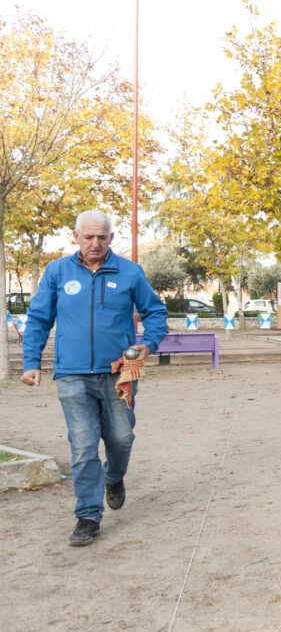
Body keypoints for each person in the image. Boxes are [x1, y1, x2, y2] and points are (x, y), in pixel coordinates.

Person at [20, 210, 168, 546]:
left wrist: (147, 344)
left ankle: (113, 477)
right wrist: (31, 362)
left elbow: (156, 312)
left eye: (102, 237)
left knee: (121, 437)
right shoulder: (57, 271)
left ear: (112, 238)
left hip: (120, 373)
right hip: (72, 374)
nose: (95, 243)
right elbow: (39, 317)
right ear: (76, 237)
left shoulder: (130, 272)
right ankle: (87, 514)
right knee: (84, 445)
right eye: (88, 237)